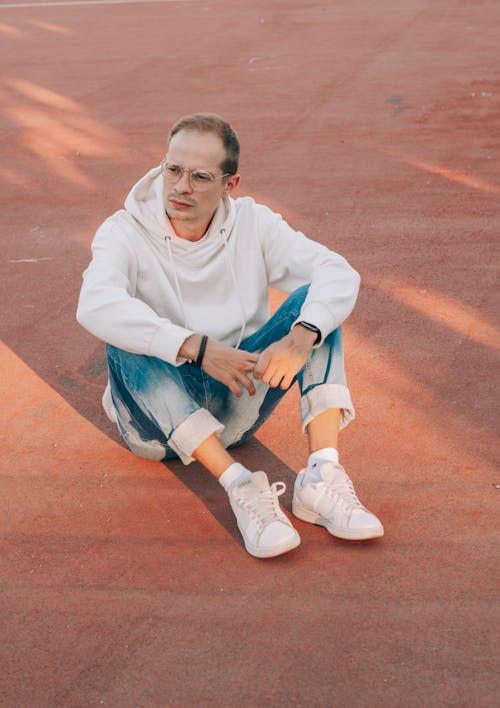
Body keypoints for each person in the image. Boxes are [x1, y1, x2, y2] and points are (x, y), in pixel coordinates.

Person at [77, 112, 383, 559]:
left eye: (200, 176)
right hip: (152, 423)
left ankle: (322, 476)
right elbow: (95, 303)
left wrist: (302, 336)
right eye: (173, 169)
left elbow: (336, 272)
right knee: (123, 334)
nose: (181, 186)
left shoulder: (253, 224)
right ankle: (241, 486)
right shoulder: (124, 231)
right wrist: (197, 349)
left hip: (235, 402)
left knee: (315, 312)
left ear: (229, 185)